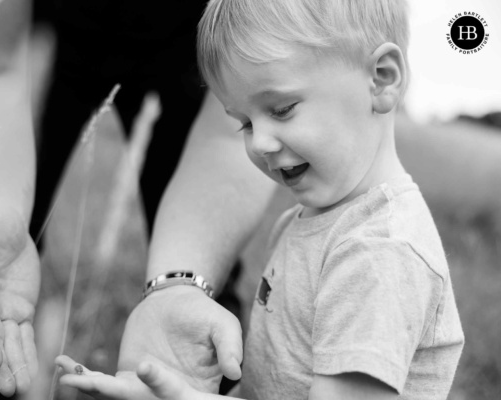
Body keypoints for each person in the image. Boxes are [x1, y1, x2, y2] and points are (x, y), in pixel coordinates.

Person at [55, 0, 465, 399]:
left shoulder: (379, 254)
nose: (261, 143)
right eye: (245, 123)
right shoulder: (313, 220)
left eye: (283, 109)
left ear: (381, 79)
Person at [0, 0, 272, 396]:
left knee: (195, 314)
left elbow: (231, 128)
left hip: (193, 45)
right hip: (52, 30)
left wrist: (180, 283)